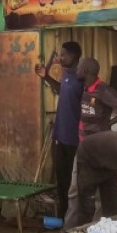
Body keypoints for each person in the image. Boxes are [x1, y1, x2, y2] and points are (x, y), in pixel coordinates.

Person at [35, 41, 84, 222]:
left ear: (74, 56)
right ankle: (65, 222)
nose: (60, 58)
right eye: (60, 54)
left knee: (75, 183)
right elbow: (60, 90)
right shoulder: (66, 74)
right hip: (60, 135)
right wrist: (45, 77)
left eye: (64, 55)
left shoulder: (81, 77)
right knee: (62, 181)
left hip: (74, 138)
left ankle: (77, 221)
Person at [76, 58, 117, 141]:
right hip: (84, 141)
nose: (75, 71)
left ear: (84, 71)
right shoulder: (83, 88)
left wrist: (109, 123)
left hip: (98, 141)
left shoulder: (102, 90)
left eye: (78, 68)